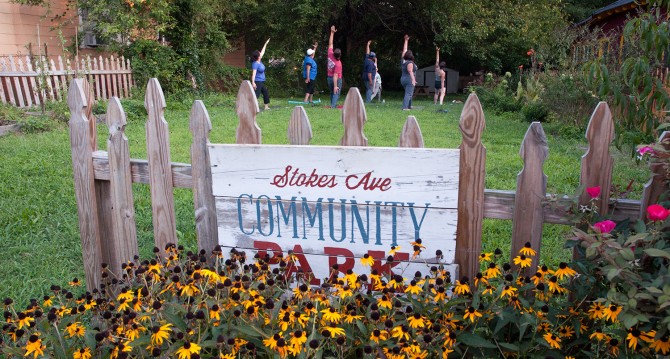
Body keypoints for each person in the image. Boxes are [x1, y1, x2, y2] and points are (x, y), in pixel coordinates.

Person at [251, 38, 271, 110]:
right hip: (257, 81)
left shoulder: (259, 61)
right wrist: (253, 83)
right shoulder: (255, 64)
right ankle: (251, 107)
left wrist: (266, 43)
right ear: (258, 57)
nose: (260, 53)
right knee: (256, 95)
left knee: (265, 92)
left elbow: (263, 51)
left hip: (261, 81)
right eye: (259, 54)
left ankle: (266, 106)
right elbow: (253, 74)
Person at [327, 25, 343, 108]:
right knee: (336, 91)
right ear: (340, 55)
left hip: (329, 78)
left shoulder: (330, 54)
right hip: (335, 78)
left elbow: (330, 44)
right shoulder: (338, 63)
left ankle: (332, 104)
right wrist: (336, 85)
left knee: (331, 92)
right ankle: (333, 106)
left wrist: (332, 33)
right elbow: (335, 75)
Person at [400, 35, 417, 110]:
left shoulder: (403, 61)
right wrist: (413, 80)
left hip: (403, 79)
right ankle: (405, 107)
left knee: (409, 93)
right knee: (409, 93)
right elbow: (410, 71)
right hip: (408, 79)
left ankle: (409, 106)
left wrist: (406, 41)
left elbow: (404, 50)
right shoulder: (410, 62)